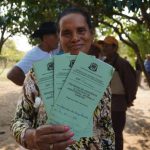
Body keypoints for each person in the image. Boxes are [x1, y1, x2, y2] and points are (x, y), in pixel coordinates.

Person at [11, 7, 115, 150]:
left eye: (81, 30)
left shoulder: (100, 75)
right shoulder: (38, 74)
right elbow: (18, 120)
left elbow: (106, 126)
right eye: (66, 33)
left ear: (91, 34)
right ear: (59, 37)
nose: (74, 38)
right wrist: (31, 136)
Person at [102, 36, 137, 150]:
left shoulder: (122, 64)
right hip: (104, 106)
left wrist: (128, 100)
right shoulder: (103, 63)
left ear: (114, 48)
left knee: (116, 135)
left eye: (107, 45)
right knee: (105, 133)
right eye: (103, 45)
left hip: (118, 106)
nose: (104, 48)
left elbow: (131, 84)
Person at [7, 21, 59, 86]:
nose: (59, 38)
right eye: (55, 36)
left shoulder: (57, 49)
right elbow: (12, 74)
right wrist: (33, 87)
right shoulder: (33, 55)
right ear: (45, 38)